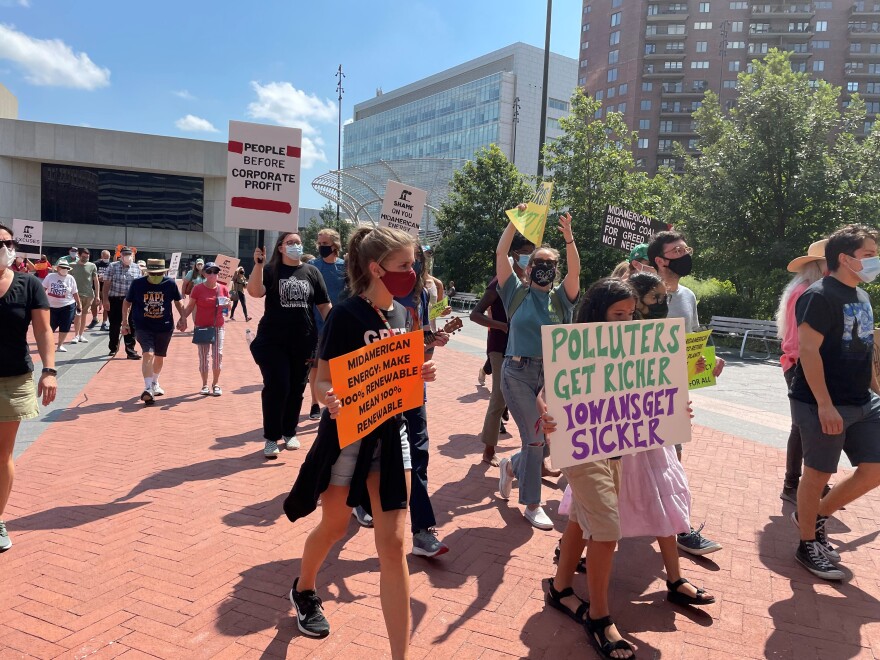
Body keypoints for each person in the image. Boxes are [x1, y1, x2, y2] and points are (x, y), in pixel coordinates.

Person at [282, 225, 435, 658]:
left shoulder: (403, 315)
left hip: (392, 436)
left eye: (414, 264)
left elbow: (399, 374)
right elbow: (322, 380)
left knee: (394, 544)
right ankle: (305, 588)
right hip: (349, 438)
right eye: (405, 265)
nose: (413, 272)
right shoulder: (346, 315)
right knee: (334, 526)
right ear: (376, 268)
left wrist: (419, 373)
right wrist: (327, 398)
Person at [542, 278, 636, 660]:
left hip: (615, 447)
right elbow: (544, 394)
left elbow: (643, 396)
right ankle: (599, 616)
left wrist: (672, 409)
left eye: (631, 314)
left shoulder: (634, 350)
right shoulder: (573, 347)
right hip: (580, 448)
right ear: (598, 313)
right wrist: (547, 416)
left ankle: (561, 588)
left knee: (582, 518)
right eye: (618, 314)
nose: (627, 321)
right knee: (607, 528)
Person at [790, 225, 880, 581]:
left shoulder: (862, 296)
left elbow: (865, 350)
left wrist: (875, 391)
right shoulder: (818, 295)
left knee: (874, 468)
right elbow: (808, 352)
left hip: (862, 401)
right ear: (845, 258)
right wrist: (825, 405)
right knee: (817, 474)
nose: (875, 260)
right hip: (819, 403)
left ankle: (815, 515)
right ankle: (806, 543)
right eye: (869, 254)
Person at [622, 271, 715, 607]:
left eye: (665, 298)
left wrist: (702, 369)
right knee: (595, 503)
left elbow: (672, 377)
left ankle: (674, 579)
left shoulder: (664, 337)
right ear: (635, 303)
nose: (664, 304)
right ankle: (570, 552)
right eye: (656, 299)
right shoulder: (612, 338)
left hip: (652, 436)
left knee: (664, 497)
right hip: (614, 439)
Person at [496, 206, 579, 530]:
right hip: (517, 373)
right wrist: (513, 223)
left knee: (544, 441)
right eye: (539, 263)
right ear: (528, 268)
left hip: (550, 378)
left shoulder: (561, 300)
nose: (545, 268)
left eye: (551, 264)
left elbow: (575, 274)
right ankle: (532, 503)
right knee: (534, 439)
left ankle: (511, 467)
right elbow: (502, 252)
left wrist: (569, 239)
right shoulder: (515, 293)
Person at [646, 230, 724, 557]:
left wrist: (709, 361)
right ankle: (582, 538)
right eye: (677, 250)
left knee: (672, 460)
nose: (685, 254)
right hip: (635, 394)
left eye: (685, 248)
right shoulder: (641, 293)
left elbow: (690, 341)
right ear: (661, 260)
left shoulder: (688, 296)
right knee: (621, 464)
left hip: (673, 393)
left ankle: (681, 528)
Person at [247, 233, 331, 457]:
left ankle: (289, 432)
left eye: (298, 242)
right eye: (290, 243)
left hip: (303, 341)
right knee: (277, 386)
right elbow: (255, 292)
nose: (295, 245)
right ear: (281, 248)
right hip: (273, 341)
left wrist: (337, 327)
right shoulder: (271, 270)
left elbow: (324, 305)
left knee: (296, 388)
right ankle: (271, 438)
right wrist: (258, 265)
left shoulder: (312, 272)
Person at [0, 223, 57, 552]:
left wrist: (49, 370)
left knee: (2, 453)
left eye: (7, 242)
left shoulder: (29, 284)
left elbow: (43, 331)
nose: (3, 247)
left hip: (13, 379)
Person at [470, 233, 535, 466]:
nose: (530, 257)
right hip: (500, 349)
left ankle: (538, 454)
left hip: (524, 349)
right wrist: (503, 326)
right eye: (526, 252)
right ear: (514, 254)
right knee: (499, 399)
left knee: (534, 400)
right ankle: (488, 450)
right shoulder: (499, 282)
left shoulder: (529, 283)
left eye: (532, 253)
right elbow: (474, 314)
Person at [776, 239, 829, 505]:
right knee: (802, 426)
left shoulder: (807, 289)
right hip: (799, 365)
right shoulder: (806, 291)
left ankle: (812, 482)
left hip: (803, 364)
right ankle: (792, 484)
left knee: (813, 426)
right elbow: (797, 342)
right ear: (819, 265)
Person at [123, 259, 187, 405]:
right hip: (143, 326)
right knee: (148, 353)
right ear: (147, 273)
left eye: (158, 274)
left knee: (159, 356)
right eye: (152, 274)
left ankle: (155, 382)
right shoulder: (138, 284)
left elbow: (178, 301)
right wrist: (125, 322)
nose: (155, 276)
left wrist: (183, 318)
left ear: (163, 273)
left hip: (164, 326)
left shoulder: (170, 284)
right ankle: (147, 388)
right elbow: (127, 302)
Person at [308, 228, 347, 420]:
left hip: (340, 325)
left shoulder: (344, 267)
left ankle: (336, 401)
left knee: (339, 367)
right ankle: (315, 403)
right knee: (315, 367)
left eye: (325, 244)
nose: (322, 247)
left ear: (335, 245)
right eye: (320, 243)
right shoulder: (312, 266)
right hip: (316, 325)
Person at [180, 262, 230, 396]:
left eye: (215, 271)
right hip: (201, 327)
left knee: (217, 356)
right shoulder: (197, 289)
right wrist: (183, 318)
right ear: (204, 274)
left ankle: (216, 384)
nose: (213, 274)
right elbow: (191, 306)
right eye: (209, 272)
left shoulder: (223, 288)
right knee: (203, 357)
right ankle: (204, 385)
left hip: (218, 326)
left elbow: (226, 312)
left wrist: (228, 306)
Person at [102, 246, 142, 360]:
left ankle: (130, 351)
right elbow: (106, 284)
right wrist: (105, 299)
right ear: (121, 256)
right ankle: (113, 348)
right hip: (115, 299)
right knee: (114, 325)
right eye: (125, 255)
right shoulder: (112, 266)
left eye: (129, 255)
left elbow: (139, 286)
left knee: (131, 325)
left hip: (131, 301)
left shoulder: (136, 268)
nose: (127, 257)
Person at [42, 260, 81, 352]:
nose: (64, 269)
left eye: (66, 268)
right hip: (51, 306)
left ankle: (60, 345)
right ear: (58, 268)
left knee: (65, 326)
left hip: (67, 305)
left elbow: (75, 292)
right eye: (62, 267)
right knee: (49, 327)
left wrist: (79, 304)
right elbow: (43, 289)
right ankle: (47, 344)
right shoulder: (50, 277)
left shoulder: (70, 278)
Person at [70, 248, 100, 343]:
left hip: (89, 294)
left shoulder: (92, 266)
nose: (85, 258)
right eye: (83, 257)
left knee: (84, 315)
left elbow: (96, 280)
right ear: (78, 255)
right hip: (76, 294)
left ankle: (81, 335)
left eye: (87, 257)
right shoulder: (72, 266)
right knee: (77, 315)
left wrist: (97, 295)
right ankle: (76, 335)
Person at [94, 249, 112, 330]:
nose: (106, 258)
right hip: (97, 287)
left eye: (108, 257)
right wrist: (98, 278)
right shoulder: (96, 264)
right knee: (94, 304)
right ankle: (94, 318)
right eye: (105, 257)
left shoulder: (111, 265)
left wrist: (105, 278)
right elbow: (92, 275)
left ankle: (104, 323)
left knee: (106, 305)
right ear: (101, 256)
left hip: (107, 288)